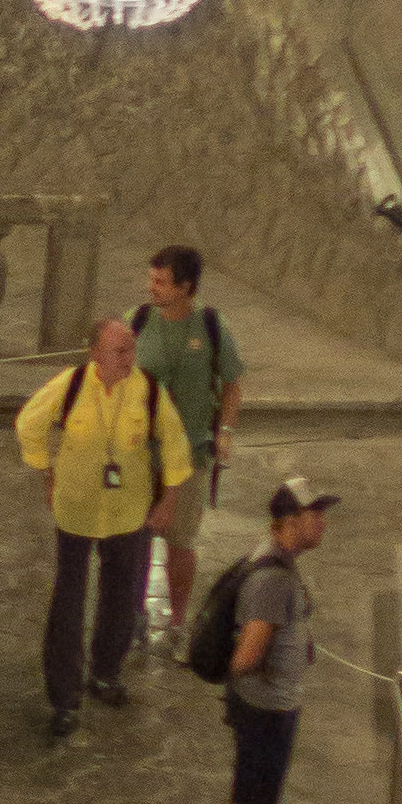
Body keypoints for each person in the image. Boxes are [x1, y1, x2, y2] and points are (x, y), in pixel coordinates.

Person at [18, 320, 193, 737]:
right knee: (68, 602)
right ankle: (64, 697)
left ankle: (106, 673)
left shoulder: (149, 390)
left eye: (131, 350)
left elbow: (174, 443)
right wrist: (45, 471)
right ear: (95, 353)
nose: (128, 358)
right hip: (76, 510)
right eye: (119, 351)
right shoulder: (72, 383)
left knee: (121, 595)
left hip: (128, 511)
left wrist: (168, 501)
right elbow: (29, 422)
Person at [214, 479, 334, 804]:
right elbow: (247, 654)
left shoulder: (278, 563)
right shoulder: (271, 579)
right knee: (245, 801)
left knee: (255, 797)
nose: (322, 523)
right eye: (314, 515)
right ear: (288, 523)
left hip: (270, 702)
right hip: (262, 706)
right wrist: (257, 677)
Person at [136, 244, 246, 648]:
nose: (153, 288)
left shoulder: (212, 328)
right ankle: (133, 614)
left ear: (186, 287)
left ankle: (178, 620)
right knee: (136, 538)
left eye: (162, 282)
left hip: (191, 454)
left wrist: (227, 431)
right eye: (151, 279)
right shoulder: (138, 321)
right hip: (139, 453)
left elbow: (232, 384)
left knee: (180, 541)